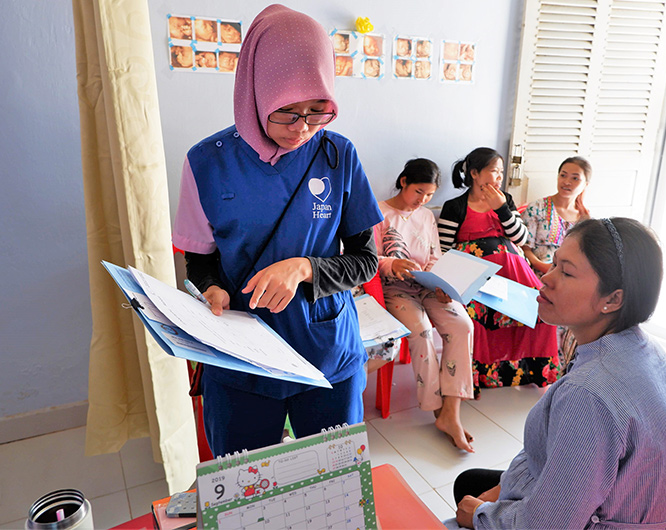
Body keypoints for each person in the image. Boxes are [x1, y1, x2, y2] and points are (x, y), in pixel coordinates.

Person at [172, 4, 383, 456]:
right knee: (244, 486)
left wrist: (304, 268)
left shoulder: (338, 155)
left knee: (334, 480)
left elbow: (365, 261)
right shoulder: (207, 163)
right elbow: (201, 257)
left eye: (317, 110)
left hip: (325, 352)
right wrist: (210, 288)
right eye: (287, 111)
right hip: (242, 358)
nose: (303, 128)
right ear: (256, 92)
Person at [452, 218, 666, 529]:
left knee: (466, 501)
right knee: (471, 483)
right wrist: (502, 490)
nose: (546, 278)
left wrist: (481, 517)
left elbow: (550, 525)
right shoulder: (643, 349)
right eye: (553, 264)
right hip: (631, 508)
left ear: (612, 299)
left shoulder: (588, 393)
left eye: (566, 272)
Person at [438, 148, 558, 397]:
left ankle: (532, 372)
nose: (499, 178)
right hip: (475, 276)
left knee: (541, 309)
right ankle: (475, 378)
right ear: (474, 173)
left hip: (515, 271)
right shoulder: (455, 207)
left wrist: (502, 209)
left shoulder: (506, 200)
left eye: (502, 172)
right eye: (494, 171)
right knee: (476, 317)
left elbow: (523, 239)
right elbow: (443, 250)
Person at [375, 159, 475, 452]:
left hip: (428, 286)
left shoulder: (426, 217)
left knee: (462, 325)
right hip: (396, 290)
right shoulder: (377, 213)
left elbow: (434, 256)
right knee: (421, 331)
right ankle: (435, 408)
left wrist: (441, 282)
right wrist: (392, 263)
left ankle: (451, 413)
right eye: (419, 192)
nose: (424, 200)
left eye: (430, 195)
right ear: (403, 181)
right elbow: (368, 259)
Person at [521, 156, 591, 277]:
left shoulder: (585, 219)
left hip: (568, 278)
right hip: (535, 274)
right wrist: (544, 267)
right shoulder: (537, 208)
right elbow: (524, 248)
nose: (567, 182)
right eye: (563, 175)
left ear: (585, 184)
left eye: (575, 178)